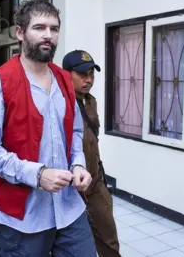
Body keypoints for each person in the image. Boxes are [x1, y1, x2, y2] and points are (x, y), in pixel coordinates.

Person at [0, 0, 97, 256]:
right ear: (20, 32)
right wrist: (38, 174)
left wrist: (78, 164)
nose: (48, 36)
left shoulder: (64, 79)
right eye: (39, 27)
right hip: (24, 217)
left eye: (54, 29)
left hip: (69, 209)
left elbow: (74, 133)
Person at [63, 50, 121, 256]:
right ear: (66, 74)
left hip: (95, 182)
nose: (88, 80)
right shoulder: (59, 104)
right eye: (82, 74)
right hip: (68, 187)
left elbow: (92, 141)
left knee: (109, 239)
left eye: (91, 74)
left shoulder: (91, 101)